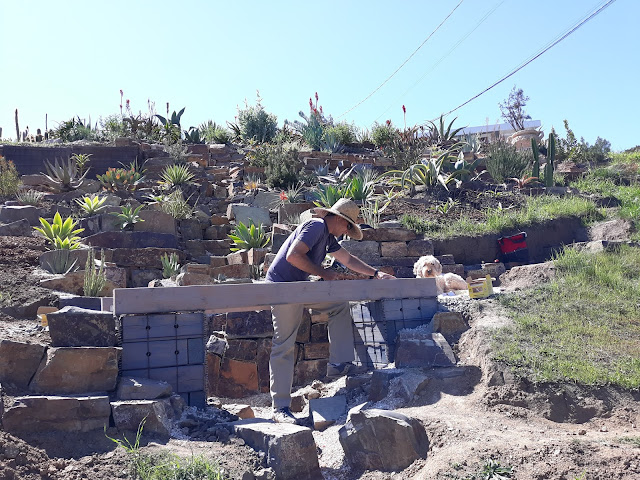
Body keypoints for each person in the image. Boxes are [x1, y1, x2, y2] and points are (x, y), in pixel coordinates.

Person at [265, 198, 395, 423]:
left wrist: (375, 274)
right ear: (337, 218)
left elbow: (348, 259)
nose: (347, 232)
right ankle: (280, 407)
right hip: (282, 288)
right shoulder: (316, 226)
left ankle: (338, 365)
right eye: (347, 226)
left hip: (301, 287)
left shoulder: (328, 236)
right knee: (284, 344)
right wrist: (324, 274)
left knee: (338, 305)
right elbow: (293, 256)